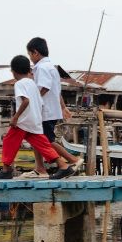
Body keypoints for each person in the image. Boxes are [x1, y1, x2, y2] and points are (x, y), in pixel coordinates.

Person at [0, 56, 75, 180]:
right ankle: (64, 167)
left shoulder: (19, 84)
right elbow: (39, 102)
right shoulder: (32, 83)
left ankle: (6, 170)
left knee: (9, 141)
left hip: (23, 121)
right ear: (28, 70)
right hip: (34, 120)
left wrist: (15, 117)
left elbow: (25, 101)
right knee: (43, 145)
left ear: (13, 71)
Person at [26, 37, 82, 171]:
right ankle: (39, 168)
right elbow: (56, 91)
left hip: (45, 110)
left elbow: (44, 87)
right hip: (51, 109)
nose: (30, 58)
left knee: (45, 140)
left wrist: (33, 101)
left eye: (29, 55)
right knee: (37, 138)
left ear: (35, 52)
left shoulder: (42, 68)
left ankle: (73, 159)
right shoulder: (51, 67)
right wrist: (63, 107)